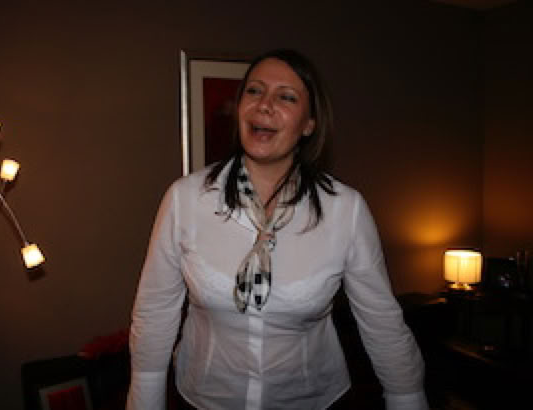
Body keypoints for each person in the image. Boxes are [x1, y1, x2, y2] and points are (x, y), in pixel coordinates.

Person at [126, 49, 428, 410]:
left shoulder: (345, 209)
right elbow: (155, 312)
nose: (264, 105)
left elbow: (381, 321)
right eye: (254, 91)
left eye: (286, 97)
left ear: (309, 124)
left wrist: (407, 398)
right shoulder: (185, 199)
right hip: (202, 400)